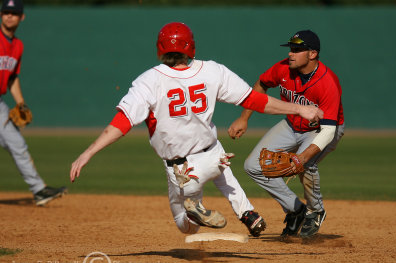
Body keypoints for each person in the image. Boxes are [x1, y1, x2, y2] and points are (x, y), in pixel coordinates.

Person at [70, 23, 323, 237]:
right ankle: (246, 212)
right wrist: (298, 109)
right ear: (191, 46)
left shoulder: (149, 80)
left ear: (160, 48)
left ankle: (195, 211)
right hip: (214, 155)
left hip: (182, 169)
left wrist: (88, 152)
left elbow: (122, 123)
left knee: (185, 225)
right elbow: (253, 100)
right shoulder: (212, 70)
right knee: (224, 175)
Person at [228, 30, 344, 238]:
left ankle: (315, 211)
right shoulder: (283, 68)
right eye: (291, 49)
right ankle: (295, 209)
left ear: (312, 54)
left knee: (306, 164)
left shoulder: (328, 83)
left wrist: (301, 158)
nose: (291, 54)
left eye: (298, 50)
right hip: (292, 125)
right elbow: (261, 85)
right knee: (253, 166)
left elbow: (328, 131)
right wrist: (244, 118)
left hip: (322, 129)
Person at [0, 0, 66, 206]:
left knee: (17, 144)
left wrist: (21, 103)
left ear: (22, 17)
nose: (9, 16)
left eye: (14, 13)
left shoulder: (17, 46)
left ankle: (39, 190)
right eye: (6, 12)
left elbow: (12, 77)